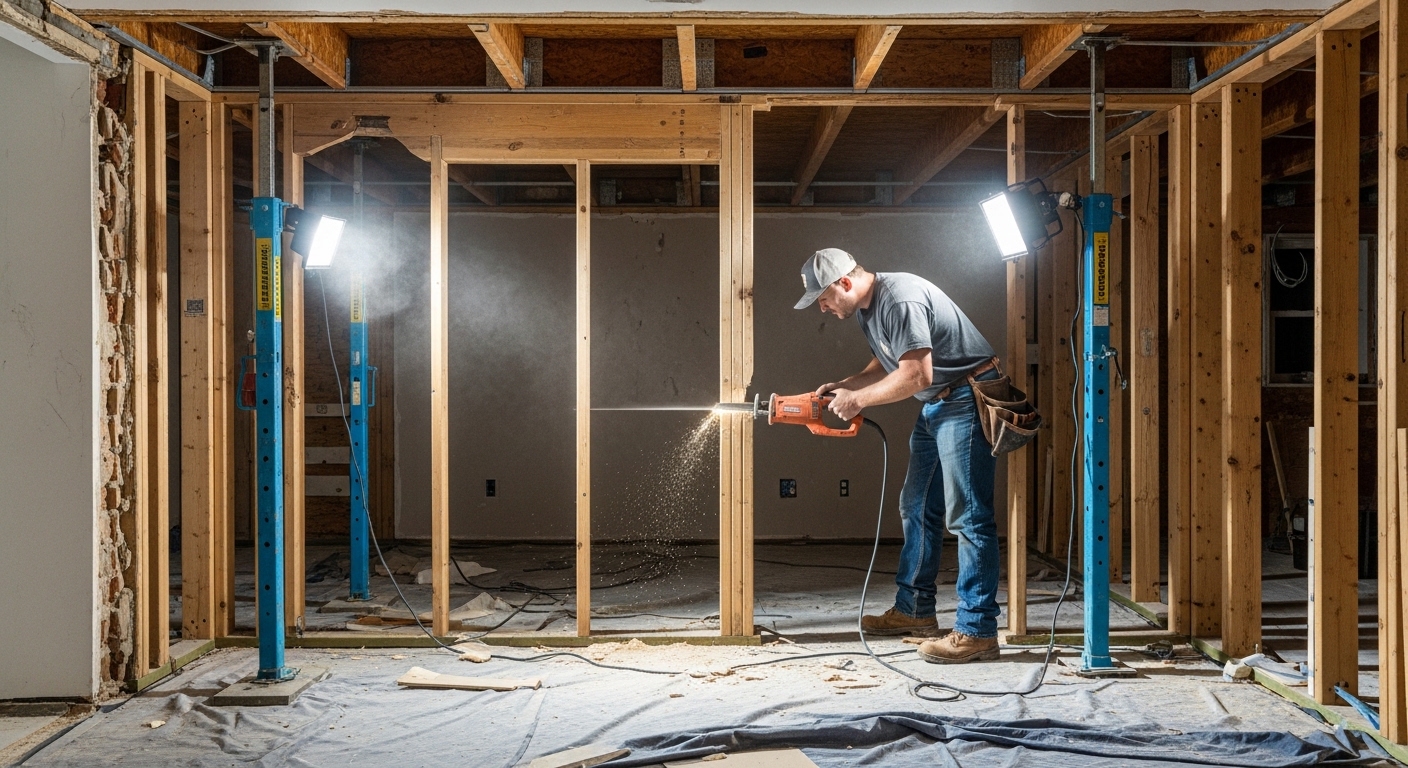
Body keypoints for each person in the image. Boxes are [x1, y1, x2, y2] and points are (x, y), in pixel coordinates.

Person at [795, 247, 1003, 664]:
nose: (822, 307)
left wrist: (858, 401)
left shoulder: (899, 298)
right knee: (916, 504)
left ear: (845, 282)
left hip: (964, 398)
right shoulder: (868, 308)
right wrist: (848, 385)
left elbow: (917, 374)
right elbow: (888, 362)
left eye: (824, 297)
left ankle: (977, 631)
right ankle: (915, 611)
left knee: (968, 515)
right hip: (938, 404)